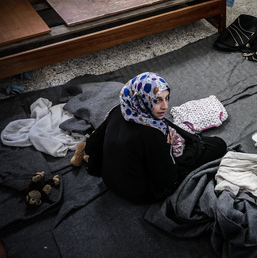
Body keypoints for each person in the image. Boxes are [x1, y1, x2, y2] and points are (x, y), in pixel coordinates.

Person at [86, 72, 227, 203]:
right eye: (157, 101)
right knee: (218, 145)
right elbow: (168, 179)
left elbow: (91, 144)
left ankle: (194, 141)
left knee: (160, 121)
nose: (165, 106)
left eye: (166, 98)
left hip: (109, 179)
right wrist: (167, 146)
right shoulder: (151, 135)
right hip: (139, 193)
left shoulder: (121, 110)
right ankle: (196, 142)